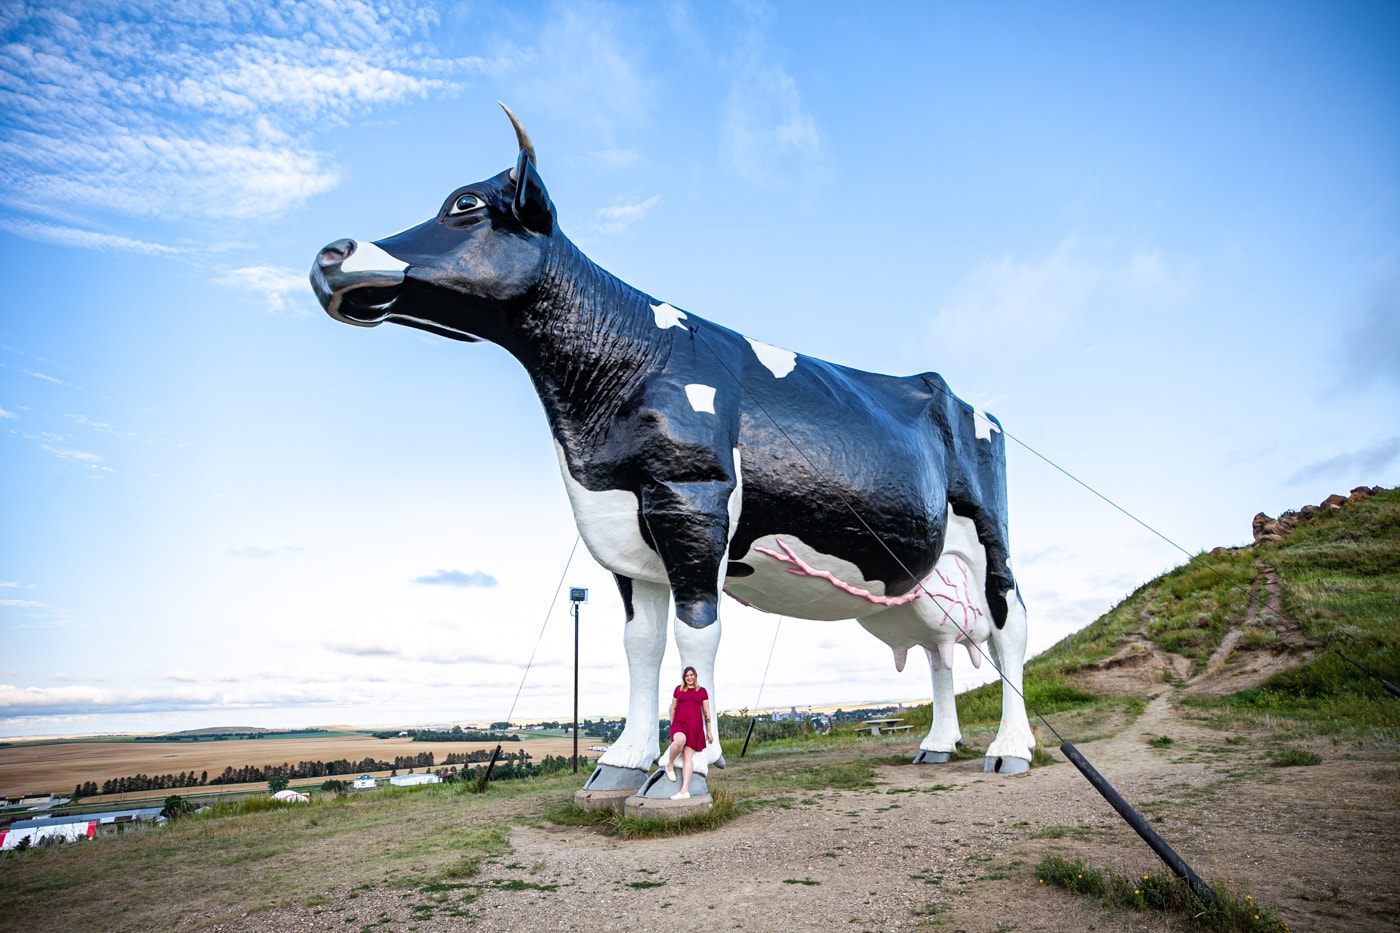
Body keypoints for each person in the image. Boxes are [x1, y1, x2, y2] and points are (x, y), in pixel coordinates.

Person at [663, 665, 713, 799]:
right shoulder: (678, 690)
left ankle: (684, 791)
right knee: (679, 741)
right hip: (679, 724)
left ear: (695, 676)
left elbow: (707, 712)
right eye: (687, 676)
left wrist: (709, 731)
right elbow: (673, 708)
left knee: (687, 757)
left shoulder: (702, 691)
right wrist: (672, 726)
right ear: (684, 678)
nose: (689, 678)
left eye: (691, 675)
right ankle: (670, 764)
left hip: (695, 727)